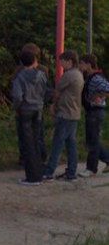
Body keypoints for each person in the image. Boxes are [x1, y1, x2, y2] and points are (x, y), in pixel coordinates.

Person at [42, 50, 84, 182]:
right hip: (74, 113)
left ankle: (49, 172)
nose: (60, 63)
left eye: (62, 61)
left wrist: (53, 105)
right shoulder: (78, 74)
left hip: (65, 113)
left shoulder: (69, 75)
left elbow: (57, 91)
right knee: (71, 144)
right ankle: (71, 172)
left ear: (70, 61)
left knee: (58, 143)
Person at [11, 49, 48, 185]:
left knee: (27, 143)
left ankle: (32, 176)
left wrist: (17, 107)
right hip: (38, 109)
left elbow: (17, 96)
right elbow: (46, 91)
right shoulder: (42, 75)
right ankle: (40, 171)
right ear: (35, 61)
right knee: (37, 140)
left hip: (25, 109)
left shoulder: (19, 77)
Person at [78, 54, 109, 177]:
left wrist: (99, 96)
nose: (80, 66)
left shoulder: (96, 78)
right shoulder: (90, 77)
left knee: (93, 141)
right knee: (92, 140)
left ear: (88, 64)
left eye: (82, 63)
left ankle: (91, 169)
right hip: (92, 111)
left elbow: (107, 88)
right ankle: (107, 159)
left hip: (96, 112)